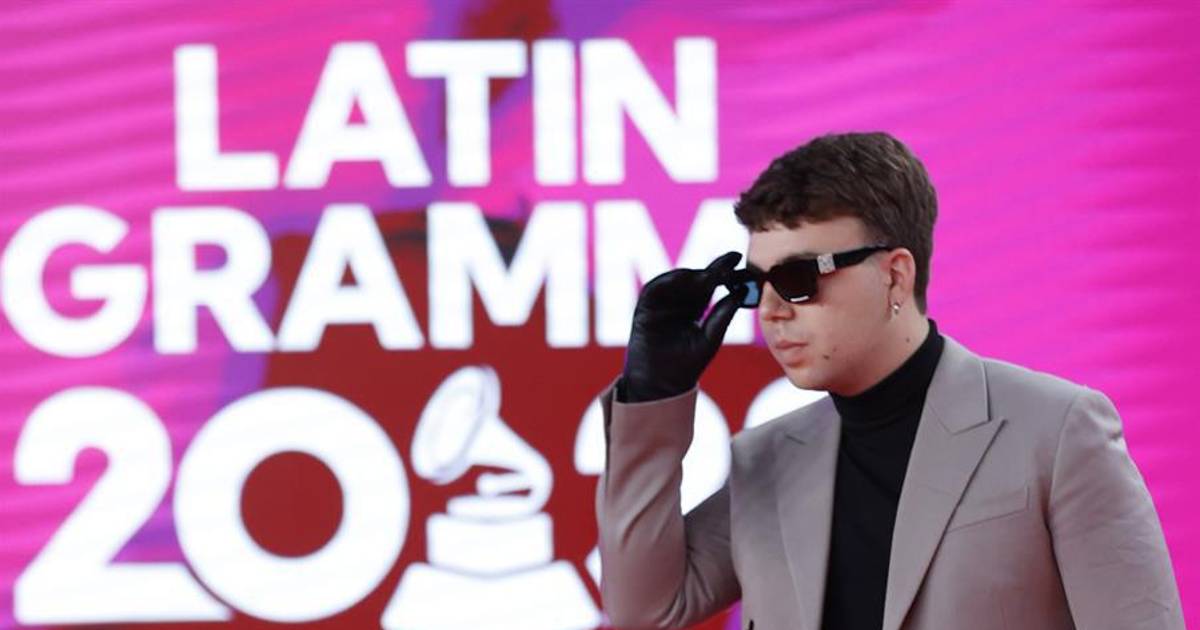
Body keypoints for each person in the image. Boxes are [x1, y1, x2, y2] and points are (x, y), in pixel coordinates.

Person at [593, 132, 1184, 630]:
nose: (770, 311)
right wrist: (653, 397)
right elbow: (645, 608)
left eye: (798, 279)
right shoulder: (767, 460)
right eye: (755, 285)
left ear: (896, 277)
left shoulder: (1056, 432)